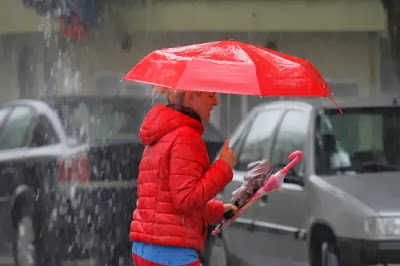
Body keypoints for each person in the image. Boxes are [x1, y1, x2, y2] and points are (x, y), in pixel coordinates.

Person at [130, 87, 238, 266]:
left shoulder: (162, 133)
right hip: (171, 253)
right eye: (210, 95)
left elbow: (168, 200)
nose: (215, 101)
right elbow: (185, 199)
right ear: (190, 97)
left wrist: (217, 211)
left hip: (146, 249)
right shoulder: (186, 136)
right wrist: (223, 167)